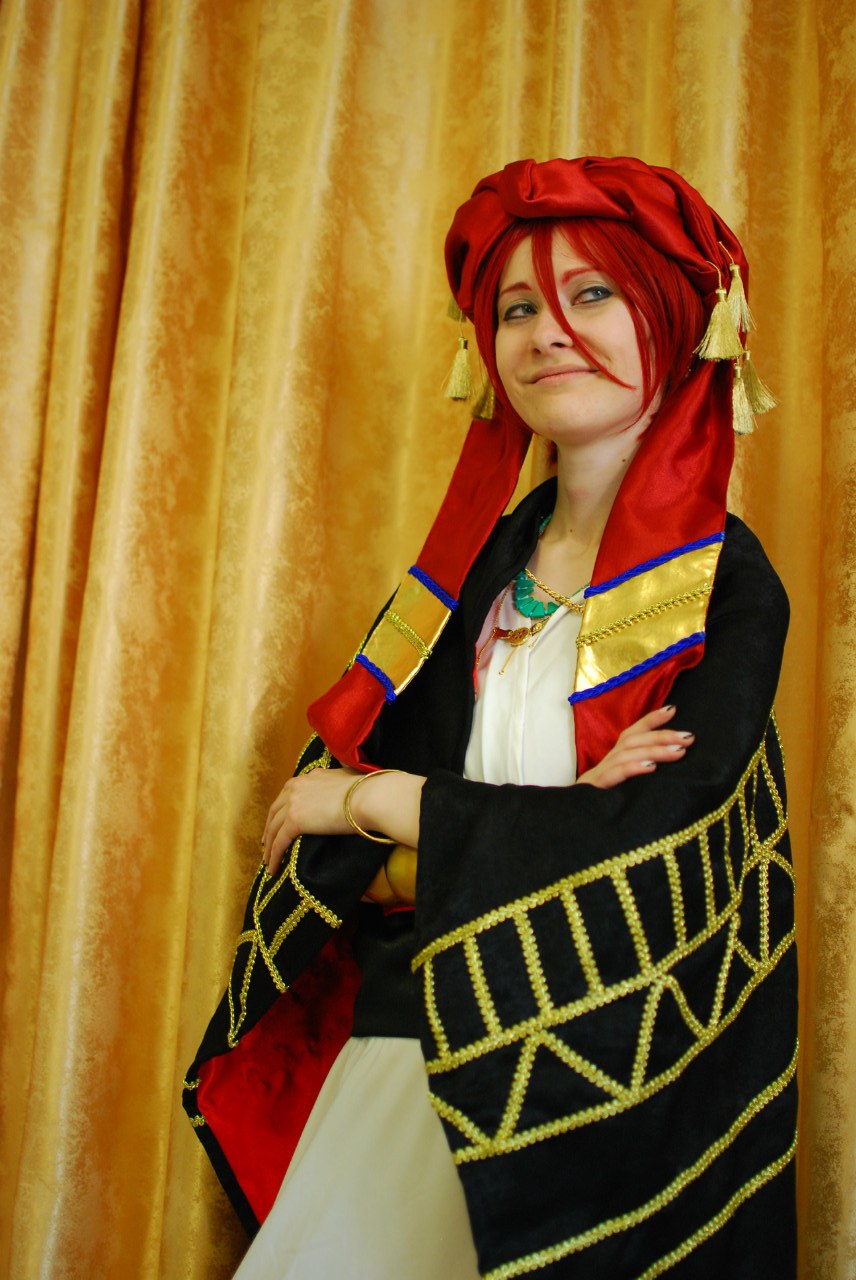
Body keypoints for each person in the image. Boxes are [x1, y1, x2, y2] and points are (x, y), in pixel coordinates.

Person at [184, 157, 798, 1279]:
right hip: (410, 1060)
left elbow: (653, 863)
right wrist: (544, 823)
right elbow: (319, 862)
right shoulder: (463, 584)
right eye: (516, 308)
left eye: (590, 294)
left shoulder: (725, 589)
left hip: (600, 1104)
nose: (546, 331)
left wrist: (383, 802)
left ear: (677, 321)